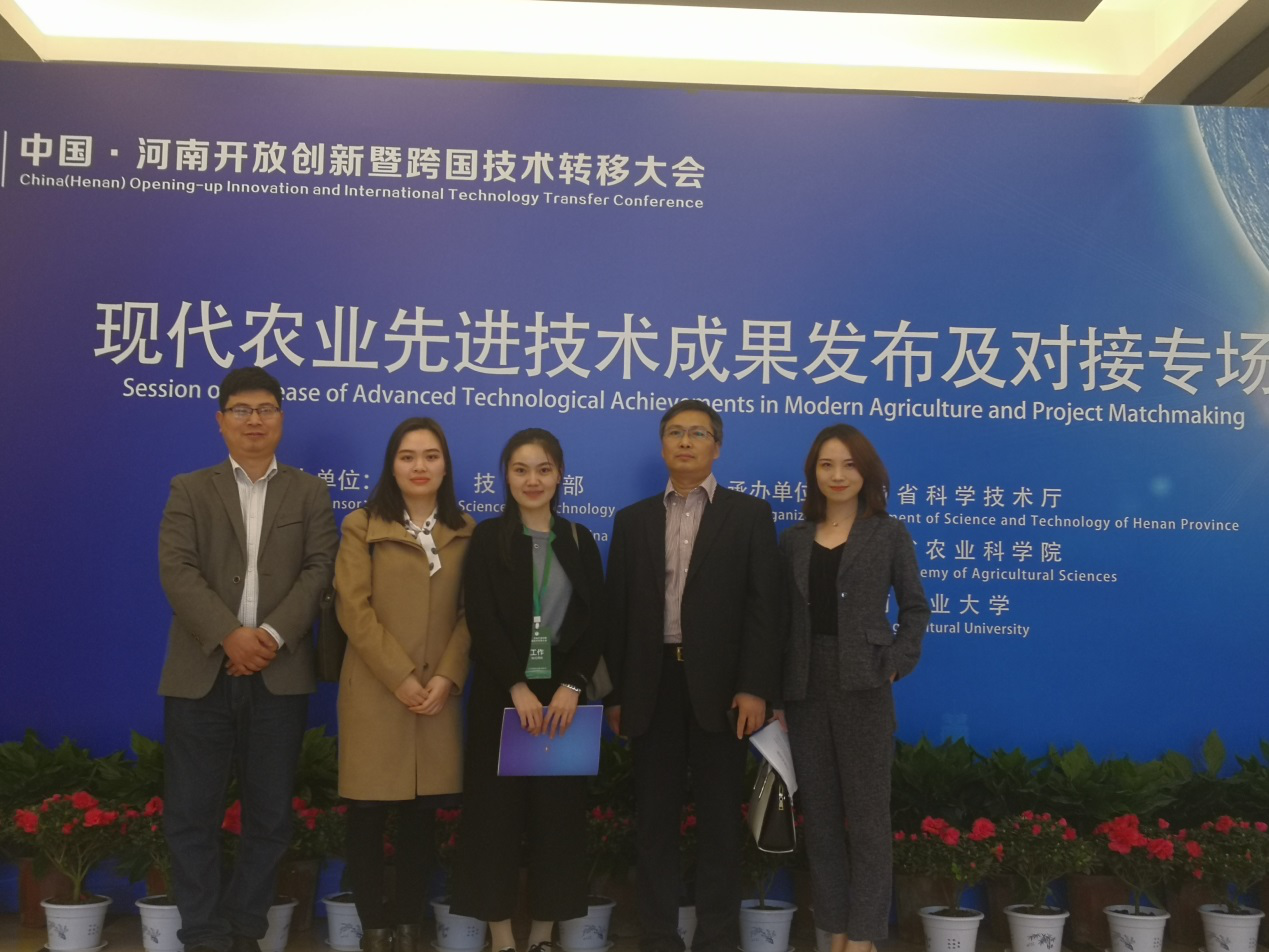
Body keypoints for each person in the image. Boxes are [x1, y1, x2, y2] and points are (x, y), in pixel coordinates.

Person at [158, 366, 338, 952]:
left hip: (279, 674)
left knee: (269, 816)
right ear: (221, 420)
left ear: (281, 418)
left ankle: (244, 929)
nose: (254, 420)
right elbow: (177, 570)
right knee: (192, 814)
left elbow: (320, 570)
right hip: (201, 672)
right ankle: (204, 934)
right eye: (241, 410)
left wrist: (271, 636)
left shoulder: (310, 492)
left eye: (265, 409)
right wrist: (229, 635)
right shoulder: (190, 488)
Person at [604, 400, 782, 952]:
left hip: (723, 692)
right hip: (651, 686)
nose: (686, 442)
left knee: (719, 824)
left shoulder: (749, 515)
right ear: (662, 445)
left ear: (717, 447)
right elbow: (617, 613)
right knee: (654, 822)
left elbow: (765, 608)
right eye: (675, 432)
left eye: (698, 433)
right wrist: (616, 696)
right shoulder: (632, 520)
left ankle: (717, 939)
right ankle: (659, 937)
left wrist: (754, 686)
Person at [451, 428, 606, 952]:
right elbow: (481, 619)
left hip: (564, 700)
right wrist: (516, 685)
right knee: (493, 821)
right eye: (521, 470)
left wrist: (571, 685)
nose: (532, 480)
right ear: (507, 477)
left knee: (557, 823)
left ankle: (541, 937)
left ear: (560, 475)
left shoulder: (579, 539)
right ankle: (501, 939)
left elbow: (597, 623)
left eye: (543, 469)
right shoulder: (489, 538)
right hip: (502, 695)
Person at [776, 424, 929, 952]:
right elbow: (780, 622)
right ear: (813, 473)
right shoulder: (794, 539)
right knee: (820, 821)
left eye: (848, 465)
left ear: (867, 473)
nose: (837, 475)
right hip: (804, 687)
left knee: (867, 820)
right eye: (826, 465)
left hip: (865, 683)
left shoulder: (888, 533)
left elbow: (916, 608)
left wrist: (896, 663)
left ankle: (863, 937)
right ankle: (835, 931)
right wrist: (776, 695)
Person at [334, 417, 476, 952]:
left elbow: (472, 614)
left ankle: (410, 927)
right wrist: (399, 676)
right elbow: (353, 608)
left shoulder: (466, 530)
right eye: (408, 456)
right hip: (375, 690)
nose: (420, 466)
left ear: (446, 466)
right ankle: (375, 929)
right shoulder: (362, 525)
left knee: (422, 815)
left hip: (437, 694)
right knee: (367, 815)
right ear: (391, 465)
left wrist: (447, 675)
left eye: (431, 456)